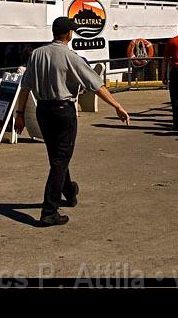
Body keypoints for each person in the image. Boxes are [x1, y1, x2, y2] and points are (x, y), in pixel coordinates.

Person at [13, 17, 130, 226]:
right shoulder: (71, 57)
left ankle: (69, 191)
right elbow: (96, 85)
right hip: (63, 111)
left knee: (56, 157)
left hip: (43, 111)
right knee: (60, 159)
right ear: (68, 34)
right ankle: (49, 210)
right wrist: (117, 106)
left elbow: (25, 87)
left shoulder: (36, 54)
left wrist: (20, 114)